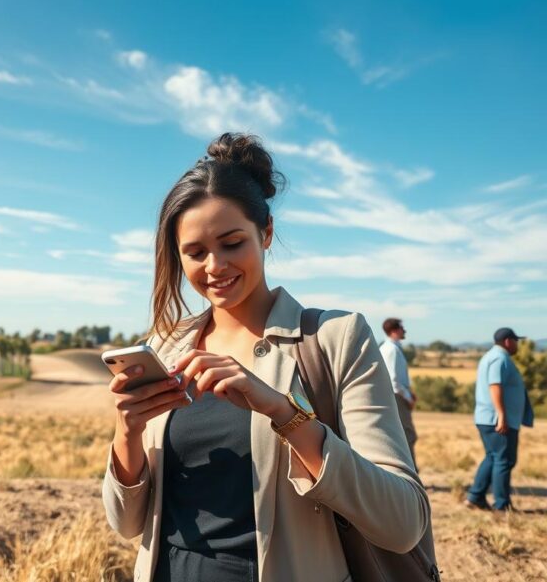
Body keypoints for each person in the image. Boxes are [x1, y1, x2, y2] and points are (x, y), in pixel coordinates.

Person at [102, 133, 429, 581]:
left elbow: (403, 522)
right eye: (195, 253)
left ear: (266, 233)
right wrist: (127, 432)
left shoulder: (337, 338)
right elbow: (127, 524)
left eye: (232, 243)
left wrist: (281, 411)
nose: (214, 266)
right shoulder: (165, 346)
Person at [465, 327, 534, 511]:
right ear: (507, 341)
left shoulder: (492, 356)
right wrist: (502, 415)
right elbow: (495, 386)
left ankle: (475, 497)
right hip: (498, 420)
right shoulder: (499, 358)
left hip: (490, 418)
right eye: (516, 340)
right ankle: (502, 505)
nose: (518, 344)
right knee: (504, 460)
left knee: (493, 457)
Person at [380, 317, 419, 467]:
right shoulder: (392, 350)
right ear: (394, 330)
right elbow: (394, 381)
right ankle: (411, 473)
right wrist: (408, 398)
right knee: (408, 435)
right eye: (402, 328)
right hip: (397, 397)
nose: (404, 331)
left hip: (395, 396)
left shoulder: (388, 348)